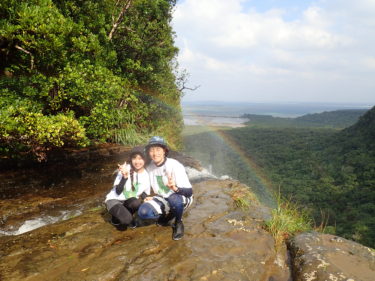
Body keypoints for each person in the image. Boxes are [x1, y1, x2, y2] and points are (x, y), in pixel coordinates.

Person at [138, 136, 193, 240]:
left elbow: (189, 192)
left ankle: (178, 222)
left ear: (164, 151)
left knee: (173, 199)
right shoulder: (150, 168)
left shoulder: (175, 165)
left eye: (158, 149)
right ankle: (170, 214)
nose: (155, 153)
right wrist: (147, 196)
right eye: (152, 150)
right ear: (149, 152)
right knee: (143, 212)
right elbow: (144, 188)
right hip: (162, 197)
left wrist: (175, 188)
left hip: (181, 197)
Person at [105, 148, 150, 230]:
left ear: (145, 159)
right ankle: (115, 218)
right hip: (114, 200)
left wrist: (145, 199)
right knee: (126, 220)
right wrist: (124, 177)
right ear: (131, 159)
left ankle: (125, 213)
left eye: (140, 158)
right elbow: (118, 191)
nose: (137, 162)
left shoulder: (146, 175)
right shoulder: (125, 168)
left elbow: (144, 192)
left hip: (128, 201)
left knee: (137, 203)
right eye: (134, 158)